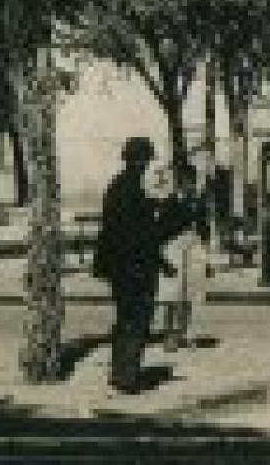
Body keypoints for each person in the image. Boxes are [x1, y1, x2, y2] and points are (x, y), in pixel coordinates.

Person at [93, 138, 190, 393]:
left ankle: (119, 373)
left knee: (124, 317)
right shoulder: (142, 189)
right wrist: (175, 209)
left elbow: (114, 231)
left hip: (118, 265)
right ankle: (128, 377)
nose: (147, 164)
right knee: (138, 319)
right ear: (142, 160)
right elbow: (150, 232)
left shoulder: (115, 186)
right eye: (146, 159)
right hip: (138, 265)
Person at [155, 165, 211, 351]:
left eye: (192, 182)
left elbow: (204, 229)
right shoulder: (170, 202)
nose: (190, 186)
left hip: (194, 247)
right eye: (187, 182)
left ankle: (187, 334)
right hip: (173, 247)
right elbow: (161, 229)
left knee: (191, 292)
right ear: (180, 183)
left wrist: (205, 254)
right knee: (172, 293)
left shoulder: (198, 203)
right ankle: (170, 335)